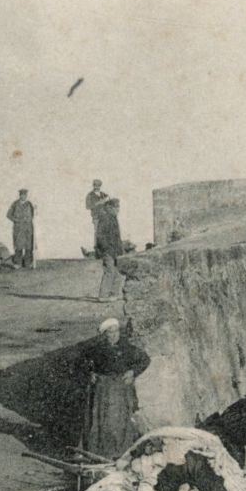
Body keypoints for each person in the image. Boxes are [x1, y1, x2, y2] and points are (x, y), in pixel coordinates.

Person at [81, 317, 152, 460]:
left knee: (120, 421)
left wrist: (133, 372)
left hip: (121, 389)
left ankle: (121, 453)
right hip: (103, 390)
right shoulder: (97, 349)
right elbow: (85, 362)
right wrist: (91, 373)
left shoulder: (127, 348)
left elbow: (145, 359)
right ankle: (100, 453)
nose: (113, 335)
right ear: (105, 334)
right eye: (110, 333)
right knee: (101, 421)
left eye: (116, 332)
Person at [94, 196, 126, 302]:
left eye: (118, 207)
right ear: (110, 207)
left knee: (117, 271)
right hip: (108, 250)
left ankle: (114, 294)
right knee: (109, 271)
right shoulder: (105, 218)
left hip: (115, 250)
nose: (118, 210)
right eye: (116, 207)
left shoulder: (113, 218)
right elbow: (100, 236)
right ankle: (103, 295)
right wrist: (106, 248)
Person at [7, 189, 36, 269]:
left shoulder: (29, 204)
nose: (23, 196)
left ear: (26, 195)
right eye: (22, 195)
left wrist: (28, 220)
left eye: (25, 195)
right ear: (20, 195)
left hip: (28, 228)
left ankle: (28, 263)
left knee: (28, 246)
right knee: (18, 245)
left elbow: (33, 215)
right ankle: (17, 263)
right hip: (18, 228)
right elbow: (9, 215)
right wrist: (17, 221)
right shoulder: (15, 204)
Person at [85, 179, 108, 248]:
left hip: (105, 216)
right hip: (96, 216)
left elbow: (109, 200)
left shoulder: (103, 194)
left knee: (105, 231)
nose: (97, 187)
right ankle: (96, 247)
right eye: (95, 185)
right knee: (97, 231)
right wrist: (98, 203)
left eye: (98, 186)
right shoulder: (89, 195)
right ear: (93, 185)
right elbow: (88, 206)